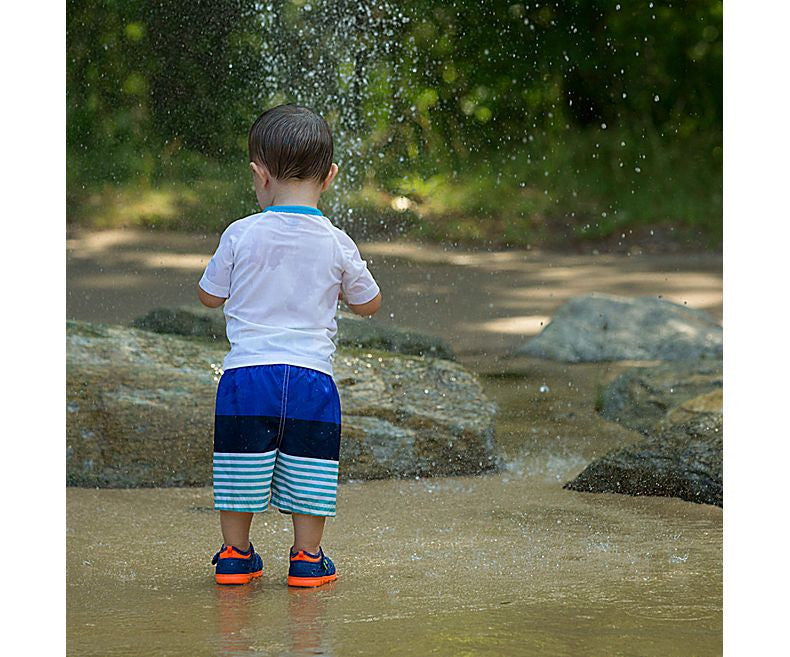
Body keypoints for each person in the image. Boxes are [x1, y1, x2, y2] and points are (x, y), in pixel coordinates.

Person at [197, 104, 382, 586]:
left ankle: (236, 555)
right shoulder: (337, 241)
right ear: (331, 176)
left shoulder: (240, 233)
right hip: (311, 381)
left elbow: (209, 296)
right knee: (311, 469)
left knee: (240, 468)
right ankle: (306, 558)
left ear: (259, 176)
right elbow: (370, 303)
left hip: (246, 378)